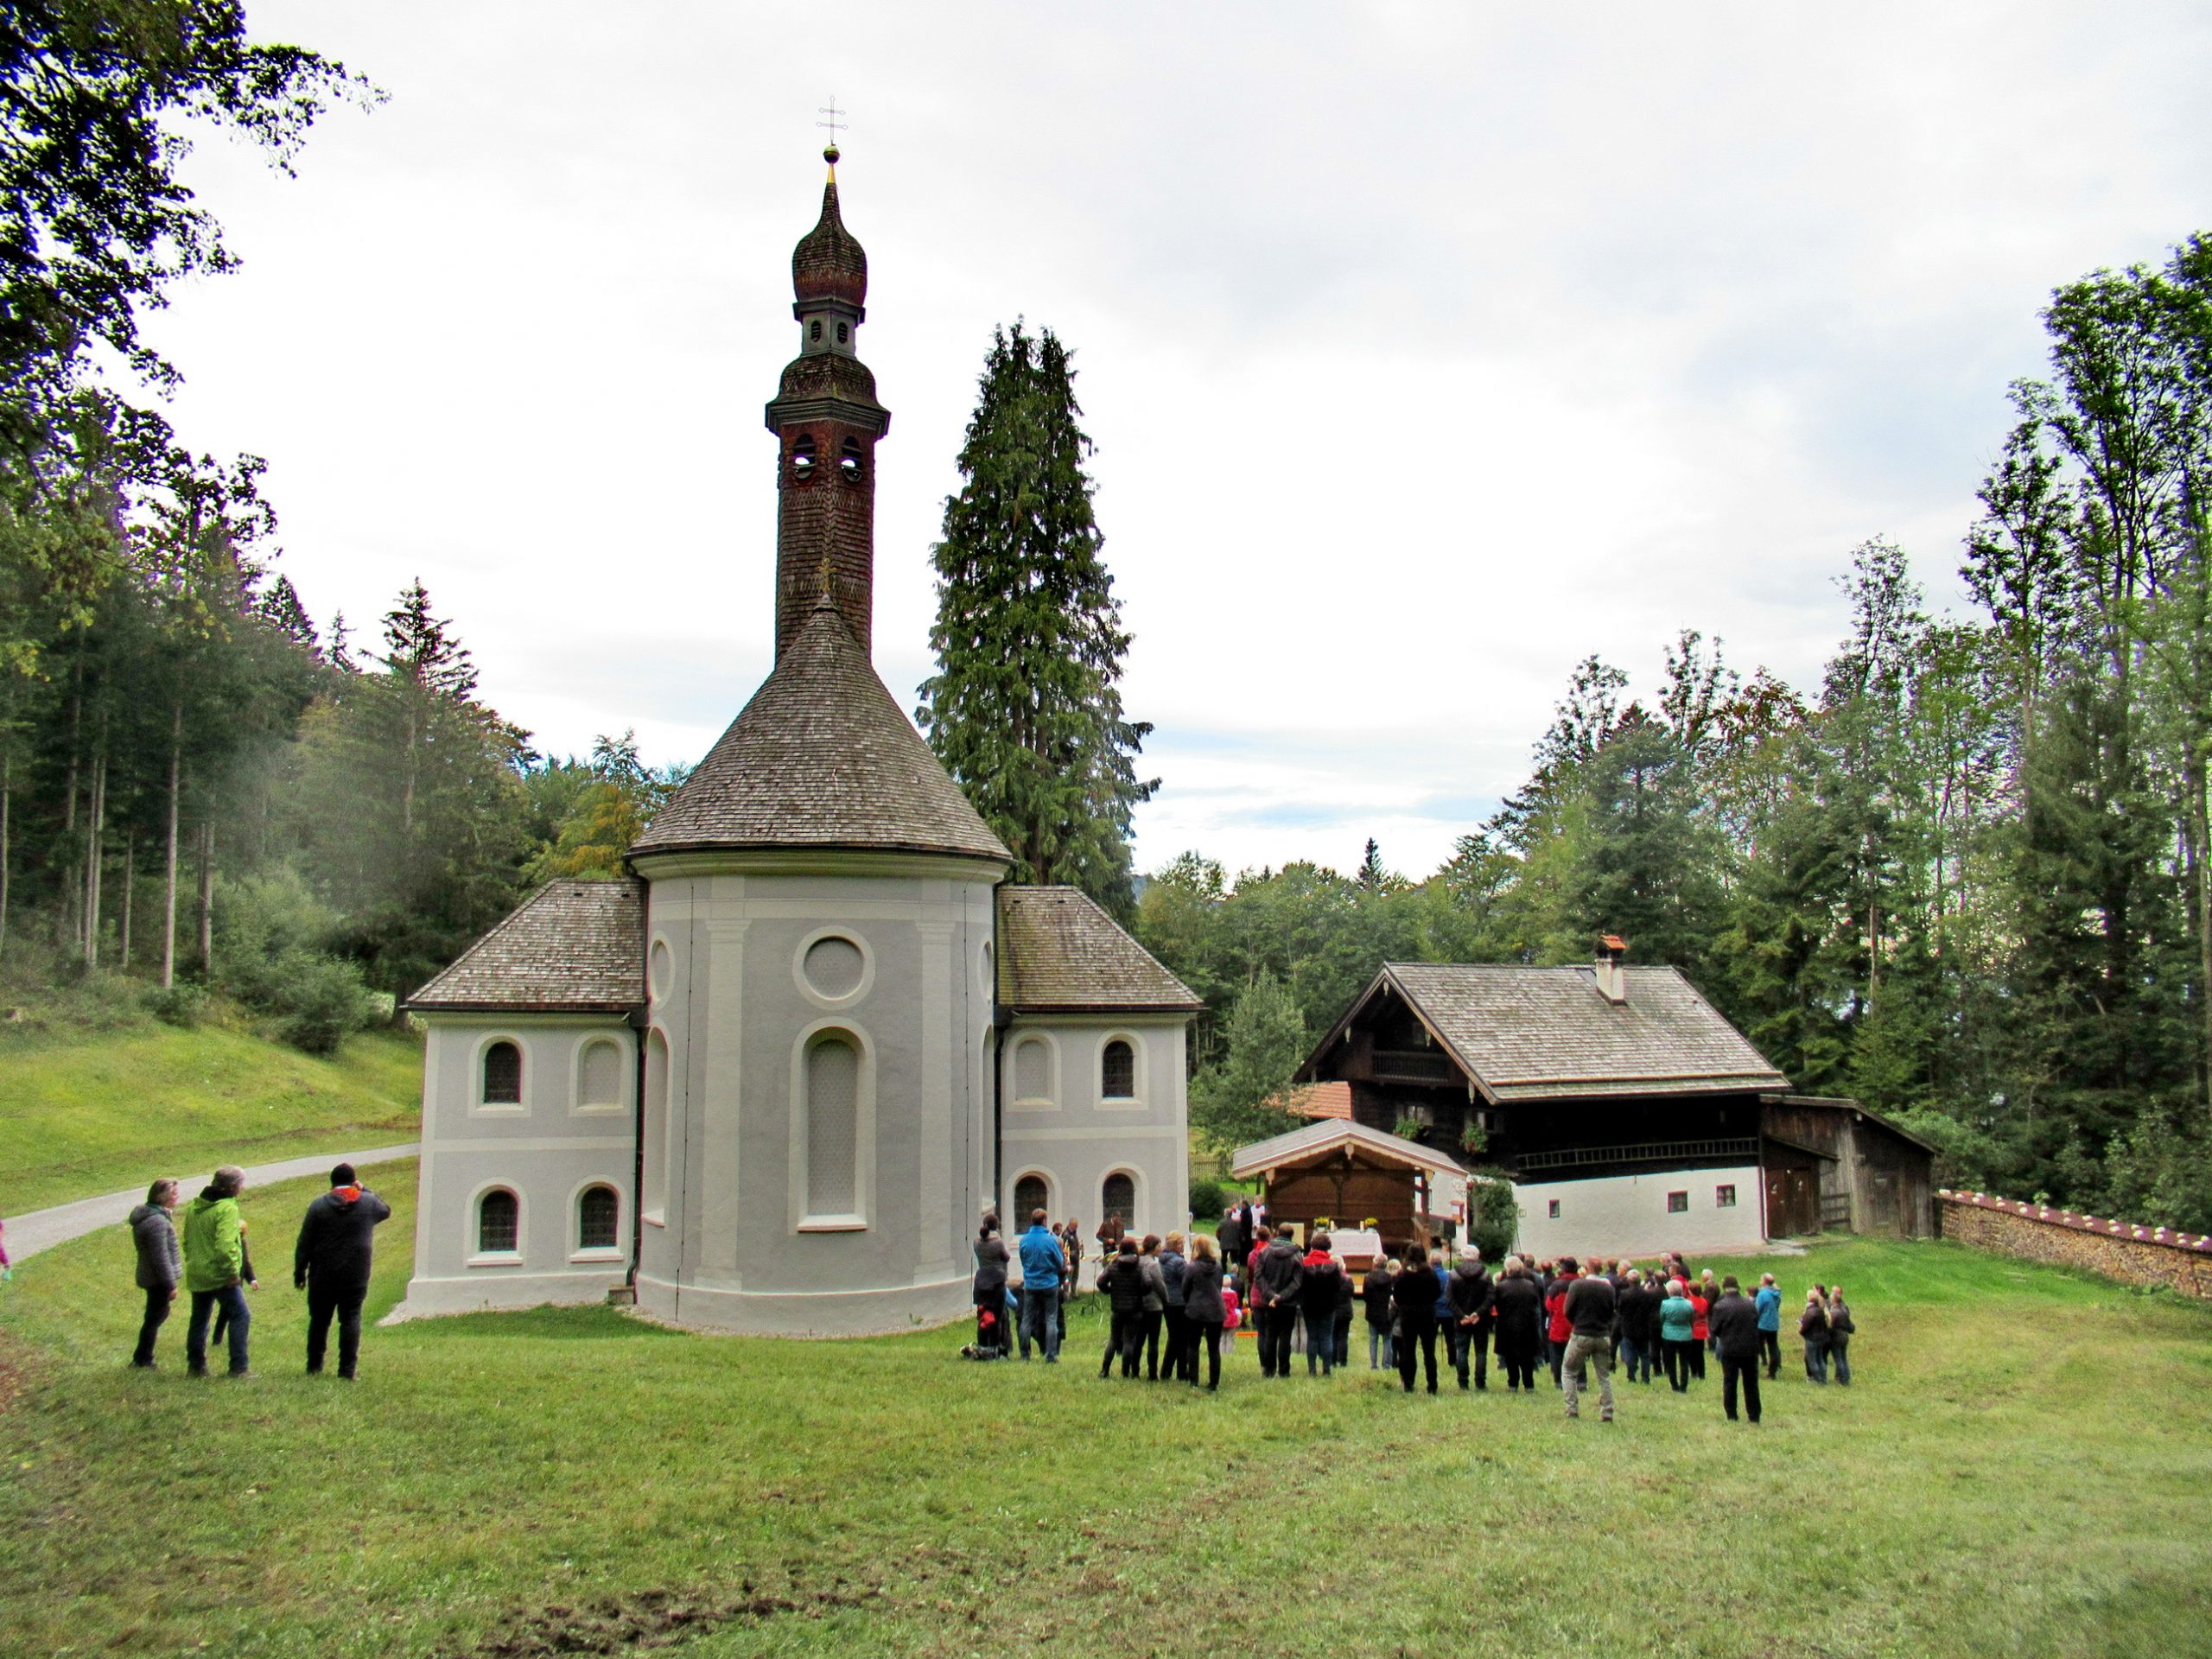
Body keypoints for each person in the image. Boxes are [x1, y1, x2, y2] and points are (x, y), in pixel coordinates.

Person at [292, 1162, 391, 1380]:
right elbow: (386, 1211)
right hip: (356, 1273)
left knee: (319, 1320)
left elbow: (305, 1242)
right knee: (350, 1319)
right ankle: (347, 1371)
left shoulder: (318, 1206)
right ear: (354, 1180)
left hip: (322, 1274)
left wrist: (300, 1271)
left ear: (332, 1182)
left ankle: (314, 1366)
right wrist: (365, 1189)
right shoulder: (367, 1202)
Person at [182, 1166, 251, 1377]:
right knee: (241, 1314)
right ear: (232, 1187)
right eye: (241, 1184)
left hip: (197, 1271)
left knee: (200, 1318)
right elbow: (224, 1246)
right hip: (220, 1274)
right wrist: (232, 1271)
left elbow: (186, 1241)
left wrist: (195, 1261)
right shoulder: (227, 1208)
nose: (242, 1187)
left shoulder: (195, 1207)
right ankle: (238, 1367)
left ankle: (196, 1366)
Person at [127, 1178, 182, 1369]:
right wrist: (171, 1285)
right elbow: (161, 1257)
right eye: (174, 1194)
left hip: (152, 1276)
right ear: (163, 1197)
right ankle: (143, 1358)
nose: (177, 1197)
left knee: (156, 1315)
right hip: (157, 1279)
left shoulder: (155, 1217)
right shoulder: (157, 1222)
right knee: (155, 1316)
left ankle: (142, 1357)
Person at [1560, 1261, 1617, 1421]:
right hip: (1602, 1334)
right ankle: (1607, 1411)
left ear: (1587, 1268)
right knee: (1603, 1377)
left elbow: (1567, 1310)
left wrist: (1577, 1322)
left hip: (1581, 1333)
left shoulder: (1577, 1285)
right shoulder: (1609, 1288)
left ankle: (1572, 1409)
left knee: (1568, 1371)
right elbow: (1611, 1311)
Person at [1251, 1224, 1304, 1379]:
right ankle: (1284, 1370)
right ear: (1291, 1236)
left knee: (1270, 1334)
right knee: (1285, 1335)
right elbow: (1298, 1281)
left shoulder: (1265, 1252)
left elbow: (1258, 1276)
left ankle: (1268, 1369)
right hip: (1288, 1302)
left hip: (1270, 1301)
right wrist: (1283, 1296)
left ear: (1276, 1234)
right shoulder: (1296, 1254)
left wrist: (1271, 1295)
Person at [1709, 1274, 1763, 1423]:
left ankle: (1732, 1414)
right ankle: (1754, 1415)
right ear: (1738, 1286)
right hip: (1750, 1349)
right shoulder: (1749, 1304)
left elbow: (1714, 1329)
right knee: (1751, 1383)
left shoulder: (1720, 1306)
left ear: (1724, 1287)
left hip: (1730, 1349)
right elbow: (1755, 1322)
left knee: (1730, 1382)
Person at [1016, 1209, 1066, 1362]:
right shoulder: (1051, 1241)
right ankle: (1050, 1354)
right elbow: (1060, 1263)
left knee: (1027, 1319)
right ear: (1044, 1221)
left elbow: (1023, 1260)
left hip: (1030, 1284)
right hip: (1049, 1283)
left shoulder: (1023, 1240)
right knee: (1051, 1319)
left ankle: (1025, 1354)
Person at [1096, 1238, 1148, 1378]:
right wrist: (1140, 1293)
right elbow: (1148, 1284)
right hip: (1135, 1309)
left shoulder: (1113, 1265)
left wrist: (1109, 1291)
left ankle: (1104, 1369)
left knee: (1113, 1339)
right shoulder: (1139, 1266)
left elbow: (1100, 1281)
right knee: (1129, 1340)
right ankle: (1125, 1372)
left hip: (1117, 1308)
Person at [1392, 1243, 1440, 1393]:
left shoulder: (1402, 1275)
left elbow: (1396, 1295)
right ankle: (1432, 1384)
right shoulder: (1430, 1274)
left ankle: (1408, 1382)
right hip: (1427, 1313)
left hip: (1408, 1314)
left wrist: (1404, 1305)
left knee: (1408, 1350)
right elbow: (1437, 1292)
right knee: (1429, 1352)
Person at [1490, 1255, 1542, 1392]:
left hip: (1507, 1325)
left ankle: (1513, 1384)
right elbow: (1536, 1302)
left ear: (1508, 1269)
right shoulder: (1530, 1285)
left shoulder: (1501, 1287)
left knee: (1510, 1357)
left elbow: (1496, 1305)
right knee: (1527, 1357)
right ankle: (1529, 1384)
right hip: (1527, 1325)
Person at [1181, 1235, 1226, 1389]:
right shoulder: (1218, 1266)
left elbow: (1185, 1288)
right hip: (1216, 1309)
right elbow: (1219, 1286)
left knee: (1193, 1345)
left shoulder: (1192, 1267)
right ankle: (1214, 1382)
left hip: (1196, 1309)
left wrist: (1190, 1302)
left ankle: (1193, 1380)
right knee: (1214, 1348)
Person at [1447, 1249, 1493, 1390]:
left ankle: (1463, 1382)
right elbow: (1491, 1296)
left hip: (1461, 1320)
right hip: (1480, 1320)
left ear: (1463, 1257)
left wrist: (1461, 1315)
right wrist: (1478, 1313)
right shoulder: (1485, 1274)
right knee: (1481, 1352)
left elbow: (1449, 1298)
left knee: (1462, 1351)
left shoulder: (1454, 1274)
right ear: (1477, 1256)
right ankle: (1480, 1382)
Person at [1299, 1231, 1342, 1376]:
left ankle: (1312, 1370)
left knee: (1312, 1337)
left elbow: (1300, 1284)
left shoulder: (1304, 1263)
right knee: (1326, 1336)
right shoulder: (1333, 1265)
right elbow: (1338, 1286)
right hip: (1328, 1306)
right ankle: (1326, 1369)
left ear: (1313, 1246)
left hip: (1309, 1305)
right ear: (1327, 1247)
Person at [968, 1218, 1010, 1357]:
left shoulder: (976, 1243)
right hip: (996, 1283)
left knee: (983, 1317)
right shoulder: (998, 1243)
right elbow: (1006, 1257)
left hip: (981, 1284)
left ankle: (982, 1347)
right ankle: (993, 1348)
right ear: (996, 1226)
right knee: (996, 1318)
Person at [1158, 1231, 1191, 1383]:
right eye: (1180, 1243)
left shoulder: (1162, 1259)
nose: (1183, 1246)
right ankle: (1181, 1372)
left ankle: (1166, 1371)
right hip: (1180, 1303)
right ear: (1174, 1245)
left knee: (1173, 1337)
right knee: (1182, 1338)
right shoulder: (1178, 1262)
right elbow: (1188, 1280)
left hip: (1167, 1302)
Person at [1617, 1268, 1658, 1385]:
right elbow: (1650, 1310)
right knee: (1645, 1355)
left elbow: (1620, 1310)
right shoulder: (1647, 1294)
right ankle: (1645, 1378)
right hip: (1644, 1328)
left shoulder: (1624, 1294)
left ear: (1629, 1281)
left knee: (1630, 1353)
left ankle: (1631, 1376)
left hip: (1628, 1328)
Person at [1136, 1235, 1168, 1379]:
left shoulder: (1138, 1261)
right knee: (1153, 1342)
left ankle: (1134, 1368)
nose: (1161, 1249)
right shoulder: (1153, 1265)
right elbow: (1160, 1285)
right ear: (1154, 1248)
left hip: (1139, 1305)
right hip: (1154, 1306)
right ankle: (1152, 1372)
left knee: (1139, 1339)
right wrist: (1166, 1300)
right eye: (1159, 1246)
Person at [1543, 1257, 1579, 1387]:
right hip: (1577, 1324)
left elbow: (1548, 1305)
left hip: (1559, 1323)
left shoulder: (1557, 1285)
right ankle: (1581, 1381)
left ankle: (1559, 1381)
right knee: (1578, 1354)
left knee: (1557, 1354)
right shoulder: (1581, 1282)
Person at [1657, 1277, 1696, 1393]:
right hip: (1685, 1335)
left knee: (1671, 1361)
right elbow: (1691, 1319)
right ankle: (1683, 1386)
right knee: (1684, 1362)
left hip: (1669, 1335)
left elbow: (1662, 1318)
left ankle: (1674, 1384)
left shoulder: (1665, 1304)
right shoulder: (1689, 1304)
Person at [1363, 1255, 1397, 1370]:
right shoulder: (1391, 1278)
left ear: (1375, 1264)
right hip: (1386, 1312)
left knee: (1373, 1339)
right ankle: (1386, 1364)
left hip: (1372, 1312)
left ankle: (1373, 1365)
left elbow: (1365, 1296)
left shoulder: (1368, 1277)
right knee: (1387, 1339)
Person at [1754, 1272, 1783, 1379]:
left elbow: (1757, 1309)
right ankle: (1773, 1371)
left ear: (1765, 1282)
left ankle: (1754, 1368)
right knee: (1773, 1347)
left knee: (1756, 1346)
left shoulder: (1762, 1294)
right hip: (1773, 1323)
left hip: (1762, 1324)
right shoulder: (1776, 1293)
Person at [1800, 1286, 1831, 1382]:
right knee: (1820, 1359)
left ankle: (1818, 1379)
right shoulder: (1820, 1311)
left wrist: (1801, 1332)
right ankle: (1824, 1378)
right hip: (1821, 1338)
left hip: (1812, 1338)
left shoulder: (1810, 1312)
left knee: (1812, 1360)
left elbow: (1806, 1326)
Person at [1827, 1284, 1855, 1384]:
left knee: (1838, 1359)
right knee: (1843, 1358)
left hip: (1837, 1337)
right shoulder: (1843, 1309)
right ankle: (1846, 1377)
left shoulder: (1835, 1311)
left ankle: (1843, 1379)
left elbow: (1831, 1325)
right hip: (1844, 1335)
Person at [1686, 1278, 1710, 1382]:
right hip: (1702, 1329)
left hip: (1692, 1329)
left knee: (1691, 1353)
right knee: (1700, 1353)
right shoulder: (1704, 1301)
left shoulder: (1689, 1302)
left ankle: (1694, 1372)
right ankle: (1702, 1374)